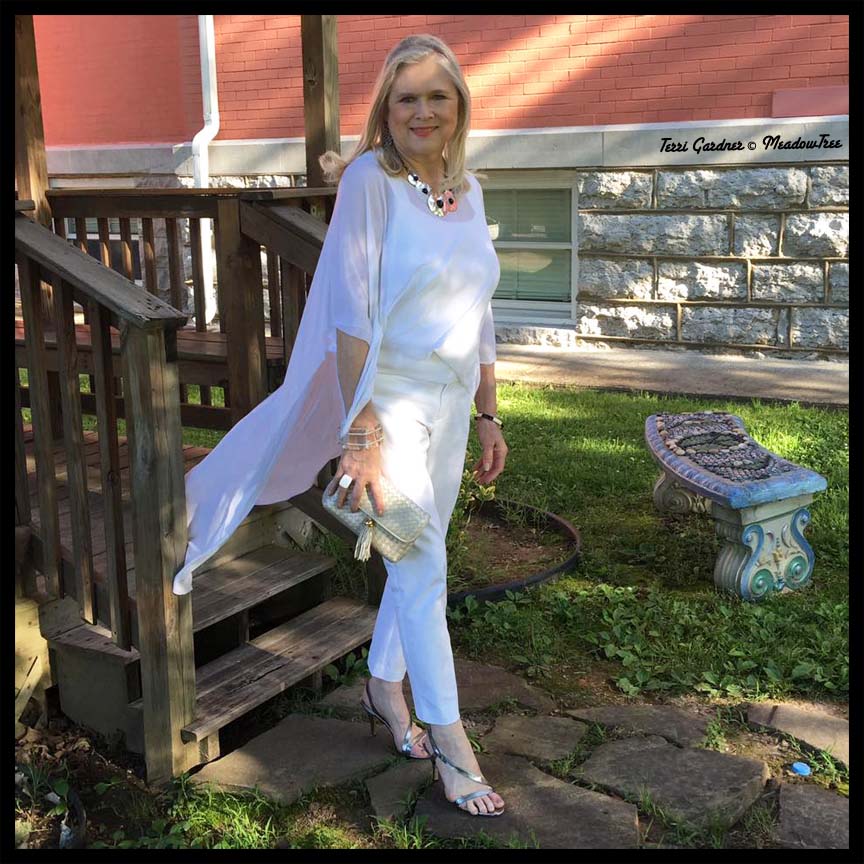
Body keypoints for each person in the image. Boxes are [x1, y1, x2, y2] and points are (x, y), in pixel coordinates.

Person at [173, 34, 507, 817]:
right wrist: (361, 433)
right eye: (406, 98)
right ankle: (451, 741)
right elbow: (353, 312)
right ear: (385, 111)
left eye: (437, 96)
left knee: (417, 557)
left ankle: (384, 685)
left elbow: (480, 308)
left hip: (451, 403)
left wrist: (490, 411)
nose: (422, 111)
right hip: (386, 403)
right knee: (422, 564)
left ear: (459, 107)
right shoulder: (369, 182)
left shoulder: (469, 189)